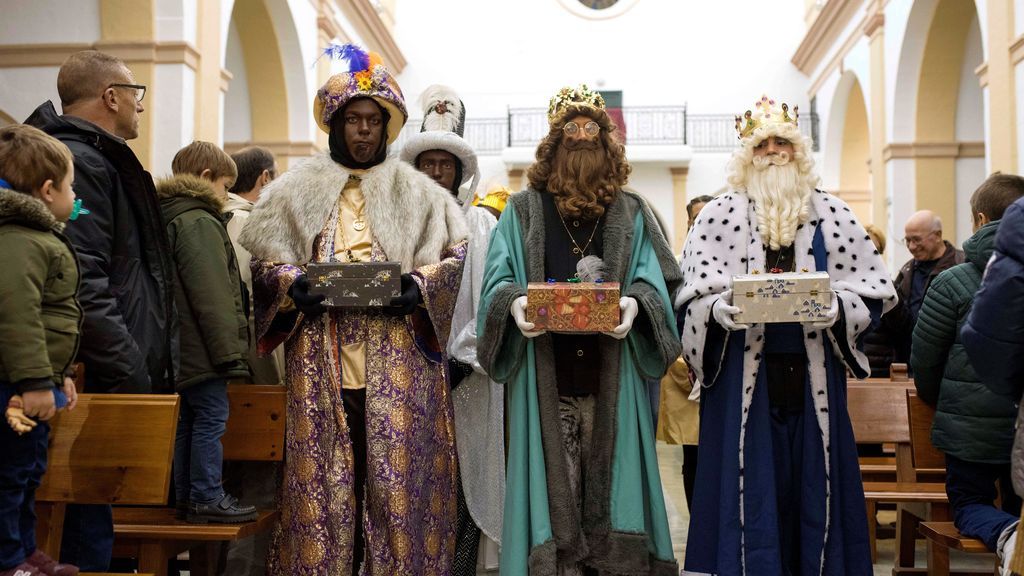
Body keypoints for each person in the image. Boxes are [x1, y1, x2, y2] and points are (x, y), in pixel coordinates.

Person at [237, 44, 467, 575]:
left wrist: (419, 288)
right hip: (322, 360)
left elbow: (453, 259)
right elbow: (266, 265)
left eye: (373, 121)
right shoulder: (292, 192)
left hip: (400, 365)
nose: (363, 131)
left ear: (387, 128)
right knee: (328, 482)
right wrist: (293, 287)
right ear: (336, 126)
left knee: (394, 482)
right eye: (353, 120)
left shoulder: (423, 193)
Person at [676, 95, 897, 575]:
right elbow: (689, 298)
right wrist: (716, 310)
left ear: (798, 152)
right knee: (746, 485)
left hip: (813, 377)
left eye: (782, 143)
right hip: (739, 380)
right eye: (762, 145)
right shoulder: (717, 216)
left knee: (813, 486)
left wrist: (838, 308)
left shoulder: (834, 213)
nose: (773, 152)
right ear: (746, 155)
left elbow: (875, 291)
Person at [478, 84, 680, 575]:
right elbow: (496, 279)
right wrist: (516, 304)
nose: (583, 137)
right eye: (573, 129)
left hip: (613, 377)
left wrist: (635, 305)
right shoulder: (523, 211)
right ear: (555, 143)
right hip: (545, 375)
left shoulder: (631, 211)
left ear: (608, 143)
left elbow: (658, 279)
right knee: (553, 486)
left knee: (615, 487)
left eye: (593, 129)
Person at [24, 49, 176, 572]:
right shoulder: (83, 162)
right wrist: (129, 366)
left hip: (99, 366)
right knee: (85, 522)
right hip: (95, 374)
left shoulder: (86, 157)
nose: (140, 106)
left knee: (89, 514)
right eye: (136, 93)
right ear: (112, 97)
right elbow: (83, 276)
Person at [399, 85, 502, 575]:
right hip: (408, 379)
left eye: (445, 163)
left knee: (464, 482)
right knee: (412, 480)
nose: (436, 172)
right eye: (428, 163)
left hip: (469, 380)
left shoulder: (481, 225)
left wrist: (465, 358)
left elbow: (493, 299)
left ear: (460, 171)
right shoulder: (399, 227)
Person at [911, 173, 1024, 557]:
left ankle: (1010, 536)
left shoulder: (952, 281)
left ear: (979, 219)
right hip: (1020, 423)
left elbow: (924, 362)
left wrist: (945, 403)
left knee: (969, 503)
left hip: (968, 430)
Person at [156, 141, 255, 524]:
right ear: (206, 177)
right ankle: (207, 495)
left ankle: (186, 497)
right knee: (211, 418)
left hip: (182, 348)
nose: (226, 195)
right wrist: (230, 354)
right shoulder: (197, 220)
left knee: (188, 421)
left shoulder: (167, 214)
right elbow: (212, 291)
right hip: (203, 347)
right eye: (226, 186)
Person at [0, 124, 82, 576]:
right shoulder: (20, 240)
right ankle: (8, 560)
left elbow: (51, 323)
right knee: (10, 476)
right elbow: (16, 315)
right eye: (72, 187)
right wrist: (34, 381)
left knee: (28, 473)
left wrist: (58, 375)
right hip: (12, 386)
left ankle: (24, 551)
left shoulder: (33, 237)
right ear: (48, 190)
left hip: (31, 381)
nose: (76, 196)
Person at [962, 191, 1024, 574]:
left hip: (973, 420)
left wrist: (1012, 388)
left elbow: (988, 337)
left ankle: (1009, 537)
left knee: (967, 500)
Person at [657, 194, 713, 510]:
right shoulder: (680, 268)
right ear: (689, 223)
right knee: (692, 455)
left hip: (725, 373)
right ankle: (698, 529)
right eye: (697, 219)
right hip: (688, 374)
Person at [226, 146, 282, 386]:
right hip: (250, 361)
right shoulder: (242, 221)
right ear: (265, 177)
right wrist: (268, 372)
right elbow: (246, 294)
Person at [886, 210, 965, 365]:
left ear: (937, 235)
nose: (911, 246)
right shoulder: (906, 271)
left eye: (916, 239)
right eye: (907, 240)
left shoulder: (961, 265)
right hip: (911, 364)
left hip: (948, 365)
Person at [861, 223, 895, 377]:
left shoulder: (888, 283)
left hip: (882, 367)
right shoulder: (843, 283)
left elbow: (901, 327)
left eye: (875, 251)